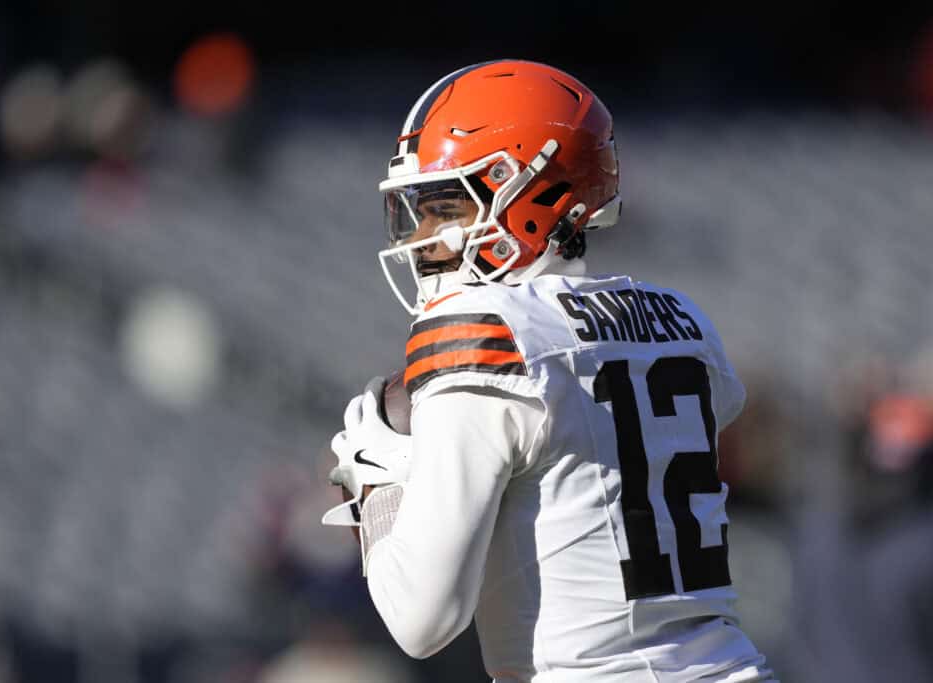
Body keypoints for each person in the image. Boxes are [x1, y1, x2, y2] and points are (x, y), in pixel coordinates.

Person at [322, 59, 775, 682]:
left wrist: (377, 478)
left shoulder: (482, 329)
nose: (423, 236)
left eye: (446, 205)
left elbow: (421, 621)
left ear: (531, 193)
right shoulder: (681, 320)